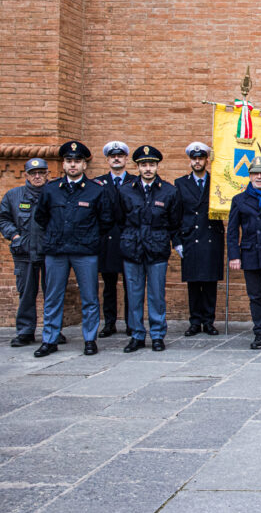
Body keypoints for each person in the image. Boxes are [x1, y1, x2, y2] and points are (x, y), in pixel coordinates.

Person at [33, 141, 116, 358]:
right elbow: (41, 217)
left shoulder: (96, 190)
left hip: (85, 251)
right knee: (53, 297)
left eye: (77, 161)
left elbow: (106, 220)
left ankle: (90, 339)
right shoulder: (51, 190)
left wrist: (87, 236)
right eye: (69, 161)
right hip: (56, 251)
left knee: (89, 297)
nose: (73, 165)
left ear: (84, 165)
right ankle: (49, 339)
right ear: (63, 164)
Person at [119, 145, 183, 353]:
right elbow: (119, 219)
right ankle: (137, 334)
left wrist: (175, 242)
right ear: (137, 167)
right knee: (134, 295)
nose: (148, 168)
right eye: (144, 165)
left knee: (156, 295)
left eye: (152, 165)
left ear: (157, 166)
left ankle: (157, 334)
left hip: (157, 248)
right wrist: (127, 239)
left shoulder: (169, 191)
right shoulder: (126, 190)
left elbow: (174, 222)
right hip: (132, 248)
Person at [0, 157, 50, 347]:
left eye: (41, 173)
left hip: (50, 252)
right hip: (24, 252)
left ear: (47, 174)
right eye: (33, 173)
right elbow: (2, 218)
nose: (37, 176)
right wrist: (14, 235)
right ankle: (25, 332)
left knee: (53, 293)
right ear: (26, 175)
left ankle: (52, 331)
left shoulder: (54, 194)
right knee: (26, 293)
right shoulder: (13, 195)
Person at [226, 156, 261, 350]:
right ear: (249, 176)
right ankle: (259, 333)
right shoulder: (239, 200)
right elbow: (232, 230)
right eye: (255, 173)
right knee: (255, 296)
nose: (259, 176)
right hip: (250, 254)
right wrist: (234, 255)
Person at [175, 142, 224, 337]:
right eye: (194, 158)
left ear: (206, 160)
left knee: (210, 282)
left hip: (211, 236)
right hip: (191, 237)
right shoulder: (181, 183)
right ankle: (195, 321)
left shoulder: (218, 182)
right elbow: (176, 214)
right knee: (194, 283)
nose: (197, 161)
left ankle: (209, 321)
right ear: (190, 161)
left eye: (201, 158)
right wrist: (177, 241)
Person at [95, 141, 135, 337]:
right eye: (113, 156)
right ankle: (109, 323)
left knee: (131, 285)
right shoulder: (98, 183)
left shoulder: (135, 182)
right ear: (108, 160)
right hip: (108, 241)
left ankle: (131, 323)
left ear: (126, 159)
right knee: (109, 286)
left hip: (129, 239)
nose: (116, 159)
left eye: (120, 156)